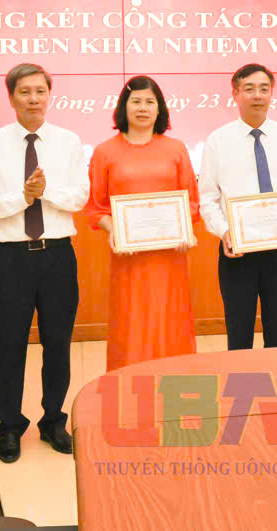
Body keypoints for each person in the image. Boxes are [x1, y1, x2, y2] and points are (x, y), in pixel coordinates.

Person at [0, 63, 87, 462]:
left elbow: (79, 197)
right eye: (25, 92)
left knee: (58, 343)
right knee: (8, 345)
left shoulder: (69, 142)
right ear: (11, 97)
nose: (33, 99)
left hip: (57, 256)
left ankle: (54, 420)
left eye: (40, 91)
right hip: (10, 259)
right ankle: (9, 426)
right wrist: (23, 197)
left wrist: (44, 191)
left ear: (49, 95)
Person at [86, 76, 198, 371]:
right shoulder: (104, 151)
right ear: (124, 107)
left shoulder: (176, 149)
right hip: (129, 256)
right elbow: (96, 207)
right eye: (135, 101)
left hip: (169, 255)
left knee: (170, 317)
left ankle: (176, 382)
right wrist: (115, 230)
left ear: (160, 108)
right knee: (131, 319)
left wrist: (184, 229)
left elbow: (191, 201)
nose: (143, 108)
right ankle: (129, 385)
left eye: (150, 101)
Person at [198, 63, 277, 351]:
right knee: (239, 334)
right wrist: (224, 232)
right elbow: (207, 198)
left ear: (272, 94)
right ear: (235, 94)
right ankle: (242, 383)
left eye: (263, 89)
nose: (257, 95)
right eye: (249, 89)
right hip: (237, 250)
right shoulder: (218, 141)